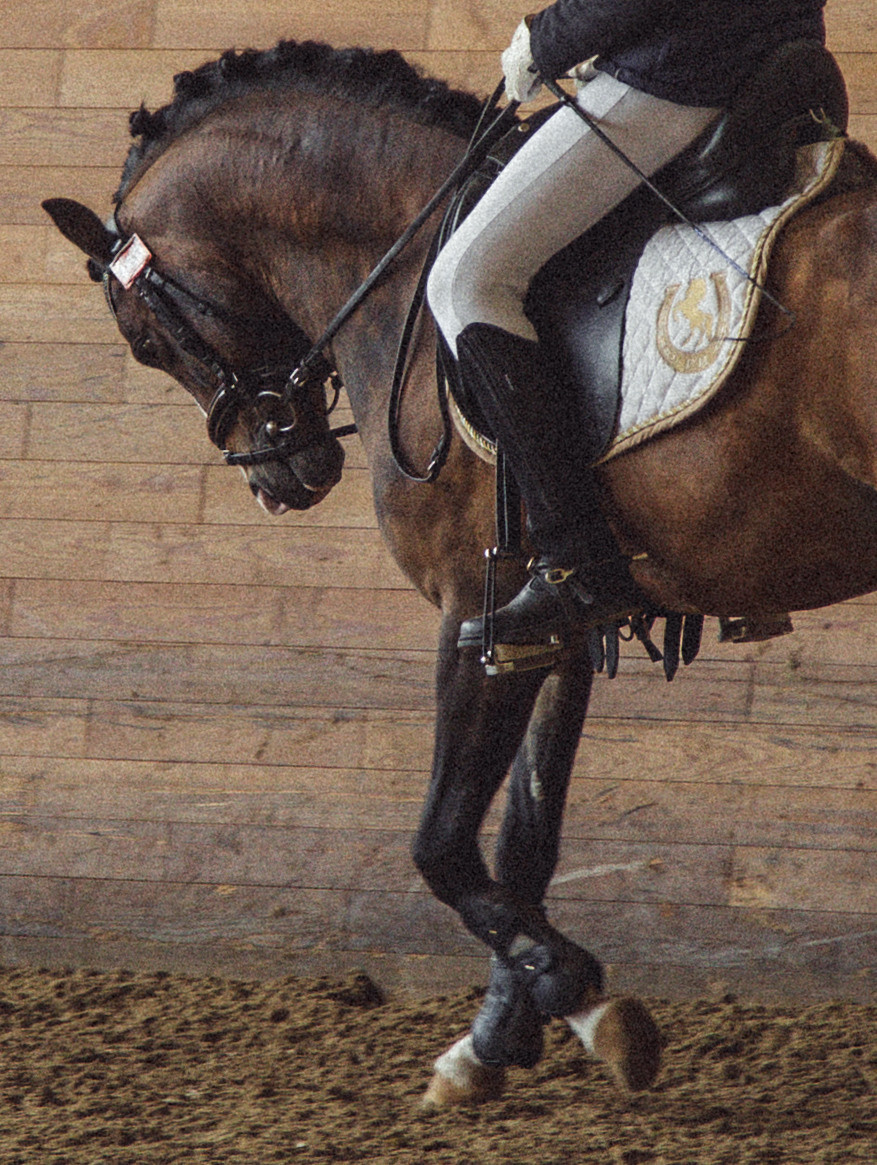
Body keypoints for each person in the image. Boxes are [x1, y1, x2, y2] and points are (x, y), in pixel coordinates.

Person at [427, 0, 828, 663]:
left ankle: (576, 563)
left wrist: (548, 37)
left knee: (468, 279)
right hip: (783, 63)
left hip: (684, 72)